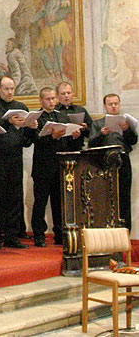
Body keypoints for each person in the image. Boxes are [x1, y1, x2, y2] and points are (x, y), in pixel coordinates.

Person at [0, 76, 38, 249]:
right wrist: (8, 121)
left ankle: (12, 236)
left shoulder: (21, 107)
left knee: (15, 197)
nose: (9, 92)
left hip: (15, 157)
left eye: (12, 89)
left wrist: (31, 128)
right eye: (6, 89)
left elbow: (26, 141)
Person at [31, 87, 79, 247]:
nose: (51, 102)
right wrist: (52, 137)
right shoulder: (37, 118)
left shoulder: (62, 116)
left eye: (53, 99)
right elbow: (35, 140)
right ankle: (39, 234)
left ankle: (60, 233)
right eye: (48, 99)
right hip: (43, 166)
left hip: (60, 165)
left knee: (59, 202)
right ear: (41, 100)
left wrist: (74, 136)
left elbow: (67, 143)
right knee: (40, 202)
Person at [89, 94, 137, 231]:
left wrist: (127, 130)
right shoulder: (98, 123)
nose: (114, 106)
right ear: (105, 106)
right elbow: (91, 145)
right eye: (110, 104)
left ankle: (125, 230)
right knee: (104, 196)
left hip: (122, 161)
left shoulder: (125, 121)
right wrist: (101, 135)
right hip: (104, 162)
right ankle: (106, 230)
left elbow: (133, 141)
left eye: (116, 103)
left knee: (124, 196)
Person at [33, 0, 71, 85]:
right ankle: (51, 72)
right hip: (48, 27)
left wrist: (56, 17)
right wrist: (32, 20)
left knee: (57, 51)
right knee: (41, 49)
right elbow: (43, 11)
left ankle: (57, 75)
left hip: (58, 26)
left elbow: (67, 9)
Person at [55, 81, 92, 149]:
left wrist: (85, 128)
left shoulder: (81, 110)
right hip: (58, 150)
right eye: (63, 93)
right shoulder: (54, 111)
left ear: (73, 94)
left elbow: (92, 133)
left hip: (77, 148)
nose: (66, 96)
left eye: (69, 93)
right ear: (57, 96)